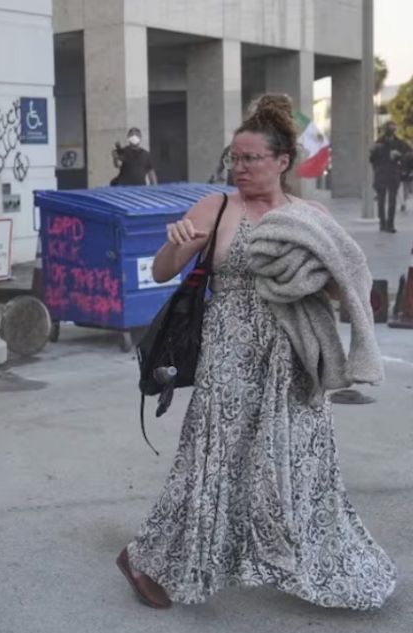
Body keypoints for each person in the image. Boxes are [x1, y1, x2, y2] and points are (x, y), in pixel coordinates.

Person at [118, 93, 396, 610]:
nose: (239, 167)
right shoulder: (216, 207)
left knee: (302, 460)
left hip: (293, 355)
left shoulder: (310, 215)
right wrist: (177, 244)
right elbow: (161, 271)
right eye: (234, 157)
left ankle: (310, 560)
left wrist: (334, 282)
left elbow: (341, 287)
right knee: (212, 460)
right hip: (229, 352)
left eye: (251, 158)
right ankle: (146, 557)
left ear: (282, 161)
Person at [370, 121, 410, 232]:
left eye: (394, 127)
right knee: (381, 201)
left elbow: (408, 154)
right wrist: (387, 155)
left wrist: (399, 157)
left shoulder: (399, 143)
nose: (393, 130)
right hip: (381, 174)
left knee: (392, 201)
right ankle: (382, 223)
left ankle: (390, 224)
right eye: (391, 128)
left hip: (393, 174)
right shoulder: (379, 143)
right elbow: (372, 158)